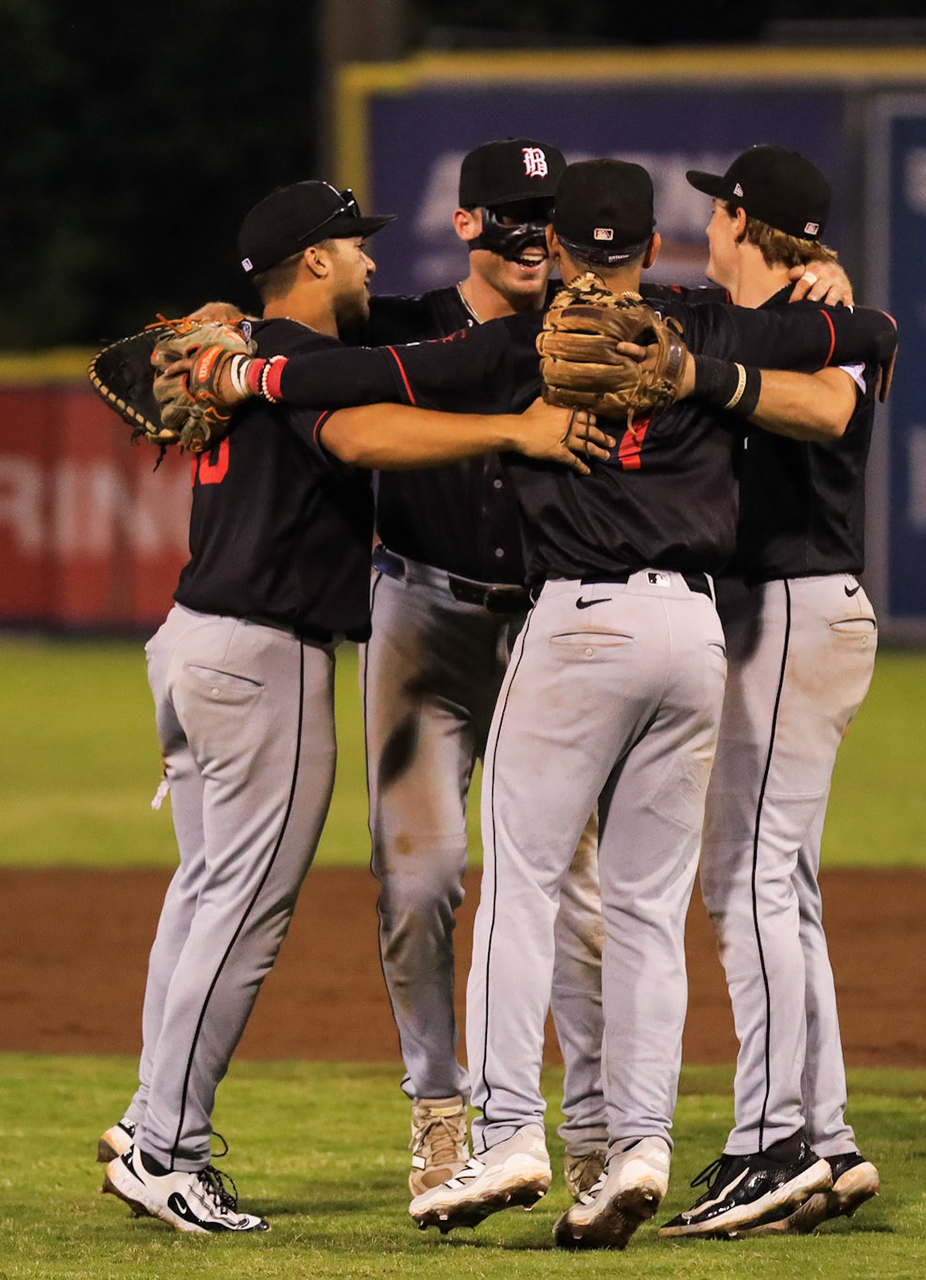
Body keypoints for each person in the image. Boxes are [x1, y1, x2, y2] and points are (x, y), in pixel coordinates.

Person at [185, 158, 898, 1249]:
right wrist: (836, 306)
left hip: (574, 626)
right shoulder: (702, 327)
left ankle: (510, 1129)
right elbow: (867, 342)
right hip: (694, 634)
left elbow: (360, 373)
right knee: (646, 908)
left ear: (559, 250)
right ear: (651, 249)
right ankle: (637, 1144)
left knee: (522, 886)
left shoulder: (514, 343)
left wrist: (250, 374)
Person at [96, 179, 607, 1235]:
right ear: (315, 259)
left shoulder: (253, 356)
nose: (373, 262)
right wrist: (511, 430)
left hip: (193, 643)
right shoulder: (291, 366)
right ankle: (163, 1144)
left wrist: (226, 336)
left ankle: (154, 1122)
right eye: (354, 246)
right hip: (260, 654)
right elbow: (369, 437)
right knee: (240, 910)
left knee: (202, 898)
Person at [349, 138, 616, 1202]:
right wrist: (234, 329)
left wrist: (820, 286)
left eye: (545, 219)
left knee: (580, 890)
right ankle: (438, 1109)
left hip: (552, 629)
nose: (530, 240)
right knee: (417, 882)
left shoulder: (594, 330)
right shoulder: (406, 330)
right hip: (424, 615)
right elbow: (326, 380)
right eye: (509, 215)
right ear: (464, 224)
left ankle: (596, 1125)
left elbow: (747, 327)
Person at [658, 146, 887, 1239]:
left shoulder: (822, 315)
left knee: (744, 876)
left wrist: (715, 380)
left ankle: (771, 1140)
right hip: (771, 612)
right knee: (780, 884)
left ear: (747, 220)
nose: (706, 226)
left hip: (795, 604)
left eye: (720, 211)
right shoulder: (723, 316)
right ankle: (826, 1137)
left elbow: (833, 413)